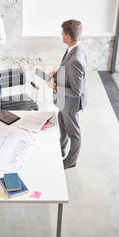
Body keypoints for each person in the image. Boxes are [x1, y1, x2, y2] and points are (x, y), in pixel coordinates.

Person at [48, 20, 89, 169]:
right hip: (65, 100)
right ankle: (60, 148)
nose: (61, 35)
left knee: (74, 133)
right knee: (62, 121)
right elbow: (68, 69)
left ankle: (71, 161)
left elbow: (76, 91)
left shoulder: (76, 59)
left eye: (62, 33)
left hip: (70, 102)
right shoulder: (77, 48)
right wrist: (57, 74)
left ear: (68, 38)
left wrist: (55, 86)